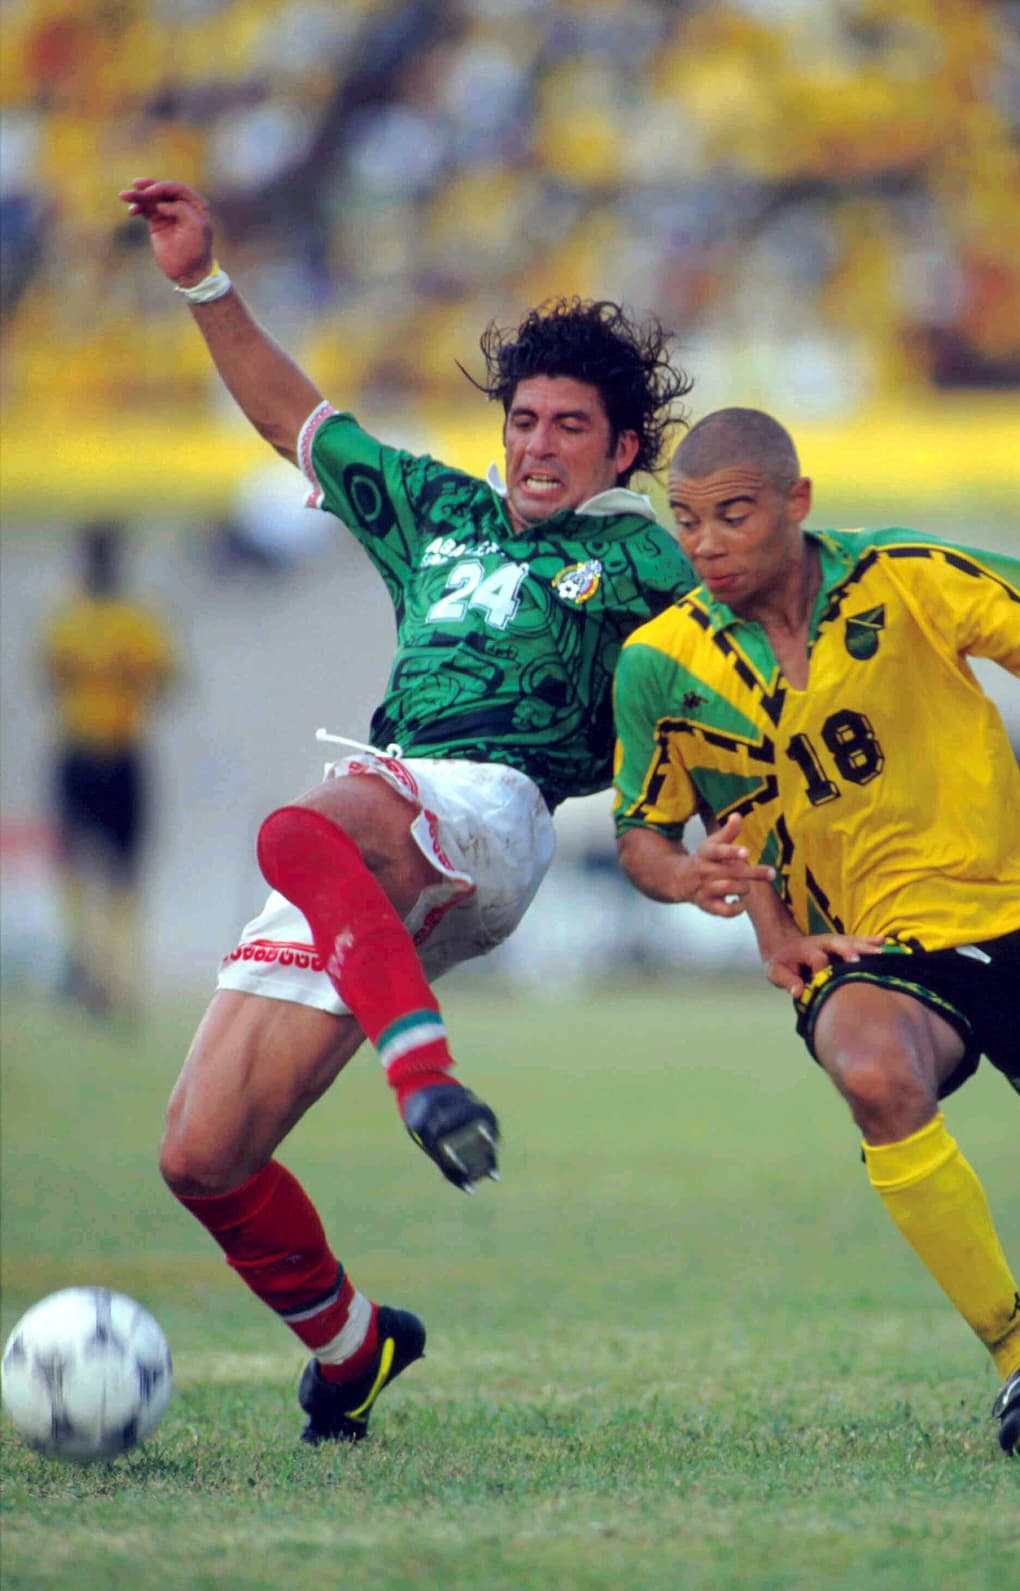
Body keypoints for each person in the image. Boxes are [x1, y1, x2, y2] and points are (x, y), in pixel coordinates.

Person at [119, 177, 696, 1444]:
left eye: (569, 428)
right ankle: (352, 1346)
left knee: (299, 828)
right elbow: (294, 420)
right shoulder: (437, 510)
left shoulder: (643, 554)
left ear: (621, 453)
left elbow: (733, 661)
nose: (536, 446)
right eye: (523, 421)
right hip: (389, 821)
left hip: (493, 810)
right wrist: (202, 281)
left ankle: (423, 1076)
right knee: (202, 1155)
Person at [611, 406, 1020, 1460]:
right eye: (685, 521)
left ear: (796, 502)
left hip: (1017, 926)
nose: (704, 543)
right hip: (869, 953)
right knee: (873, 1070)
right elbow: (641, 835)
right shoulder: (659, 662)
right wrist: (691, 877)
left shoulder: (907, 575)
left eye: (731, 515)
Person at [40, 521, 176, 1018]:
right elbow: (166, 680)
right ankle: (97, 968)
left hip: (92, 748)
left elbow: (49, 677)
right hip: (107, 750)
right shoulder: (131, 621)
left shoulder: (71, 618)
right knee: (102, 868)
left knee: (103, 868)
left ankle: (103, 970)